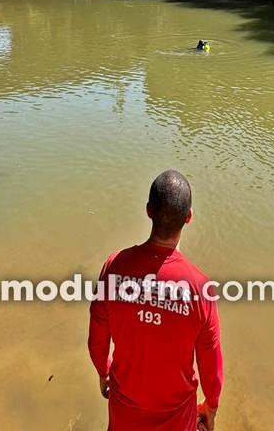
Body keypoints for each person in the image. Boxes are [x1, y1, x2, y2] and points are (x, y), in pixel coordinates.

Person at [88, 170, 223, 431]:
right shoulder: (200, 288)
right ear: (189, 217)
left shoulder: (114, 267)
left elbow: (96, 340)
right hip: (176, 416)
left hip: (124, 409)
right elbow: (212, 367)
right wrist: (211, 406)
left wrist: (103, 372)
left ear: (149, 211)